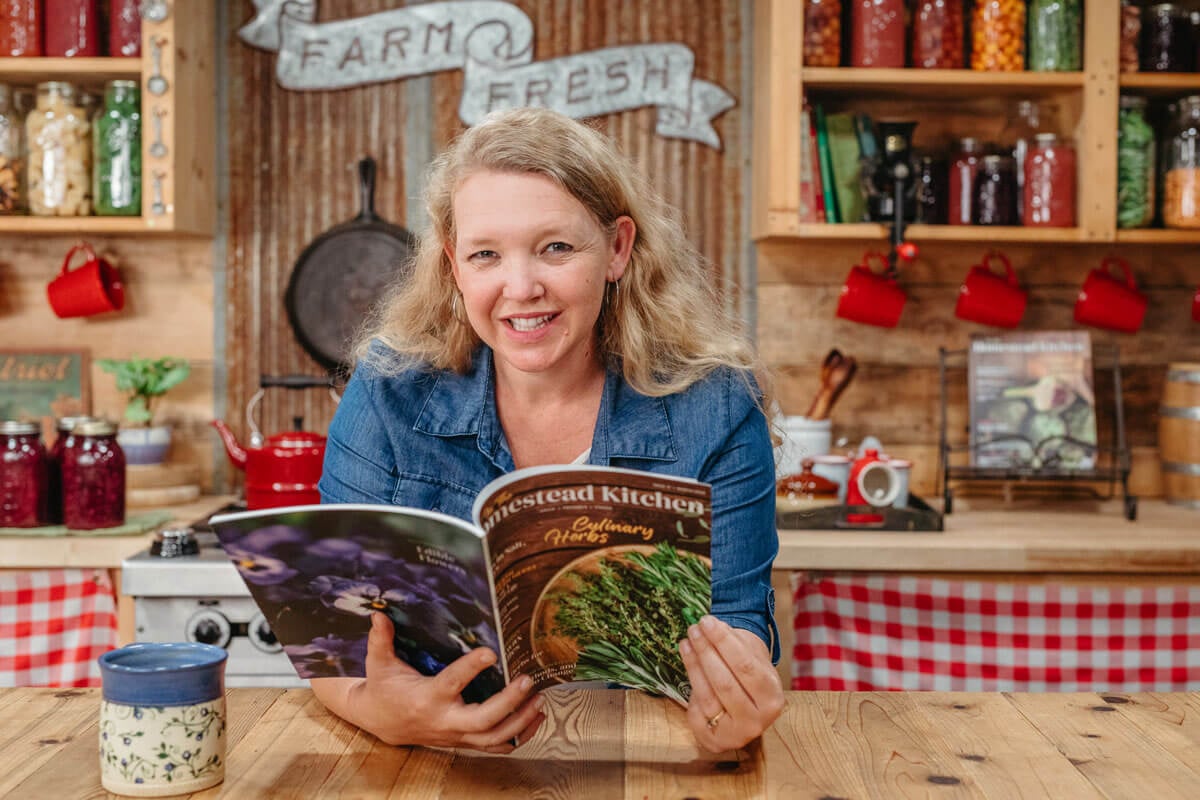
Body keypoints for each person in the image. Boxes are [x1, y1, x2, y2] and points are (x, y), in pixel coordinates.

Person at [315, 106, 784, 754]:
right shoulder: (388, 392)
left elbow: (739, 634)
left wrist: (732, 713)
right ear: (455, 265)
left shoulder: (718, 408)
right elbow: (333, 642)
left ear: (618, 249)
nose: (521, 286)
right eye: (485, 254)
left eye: (555, 247)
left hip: (642, 760)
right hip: (442, 767)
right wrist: (383, 712)